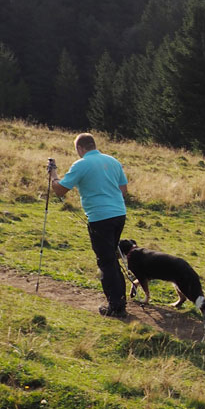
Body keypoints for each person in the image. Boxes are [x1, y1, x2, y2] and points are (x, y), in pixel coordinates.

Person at [48, 133, 129, 317]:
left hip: (100, 217)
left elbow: (60, 190)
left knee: (105, 260)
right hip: (119, 214)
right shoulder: (113, 161)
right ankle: (120, 300)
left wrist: (53, 174)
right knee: (111, 257)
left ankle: (116, 306)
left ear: (80, 148)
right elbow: (123, 190)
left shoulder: (82, 164)